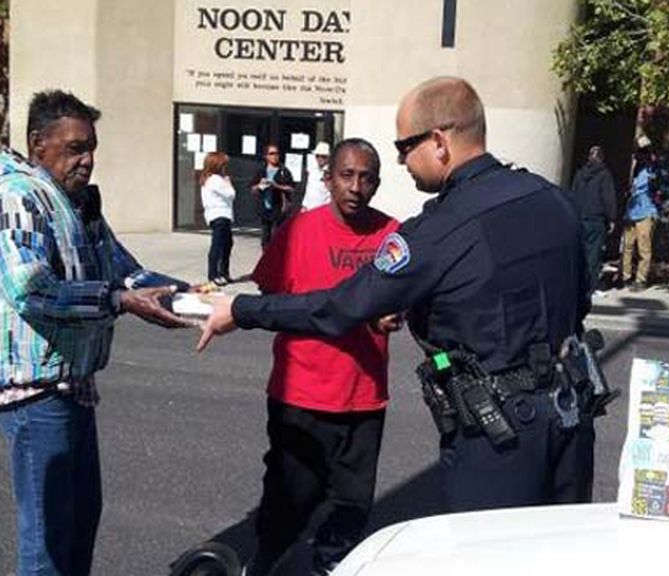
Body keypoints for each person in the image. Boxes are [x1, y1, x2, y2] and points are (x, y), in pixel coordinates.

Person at [199, 77, 595, 514]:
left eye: (405, 146)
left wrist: (241, 308)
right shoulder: (555, 200)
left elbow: (340, 307)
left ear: (439, 142)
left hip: (498, 439)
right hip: (571, 423)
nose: (402, 160)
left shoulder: (442, 228)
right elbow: (579, 304)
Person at [0, 90, 192, 576]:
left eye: (90, 148)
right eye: (75, 149)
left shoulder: (75, 200)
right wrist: (116, 300)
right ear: (37, 145)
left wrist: (182, 293)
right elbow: (32, 290)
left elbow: (120, 267)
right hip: (34, 396)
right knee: (48, 540)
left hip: (71, 387)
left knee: (80, 520)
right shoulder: (14, 198)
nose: (87, 161)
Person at [245, 139, 401, 576]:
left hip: (364, 398)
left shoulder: (393, 234)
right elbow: (269, 297)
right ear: (328, 178)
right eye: (347, 175)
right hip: (301, 396)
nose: (356, 186)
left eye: (366, 178)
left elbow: (406, 298)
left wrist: (393, 313)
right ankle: (262, 567)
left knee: (350, 510)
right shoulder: (298, 230)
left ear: (377, 183)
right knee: (286, 506)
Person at [569, 145, 617, 293]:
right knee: (593, 256)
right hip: (596, 221)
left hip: (579, 218)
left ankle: (575, 285)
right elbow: (608, 198)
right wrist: (612, 218)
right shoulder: (604, 175)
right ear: (601, 158)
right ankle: (589, 288)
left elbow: (572, 194)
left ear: (589, 157)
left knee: (579, 253)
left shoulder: (579, 174)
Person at [621, 139, 660, 291]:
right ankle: (626, 276)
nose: (638, 156)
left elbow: (660, 186)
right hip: (631, 211)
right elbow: (629, 187)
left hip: (646, 211)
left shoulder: (653, 169)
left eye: (642, 152)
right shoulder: (634, 169)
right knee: (627, 246)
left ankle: (641, 279)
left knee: (644, 247)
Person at [200, 151, 235, 285]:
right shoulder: (215, 180)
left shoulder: (210, 179)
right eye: (224, 165)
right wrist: (228, 182)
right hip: (219, 215)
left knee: (227, 244)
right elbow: (231, 194)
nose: (225, 168)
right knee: (218, 245)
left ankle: (223, 272)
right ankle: (214, 274)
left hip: (220, 215)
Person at [250, 144, 295, 247]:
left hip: (278, 207)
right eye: (271, 153)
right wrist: (259, 185)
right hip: (264, 208)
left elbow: (291, 188)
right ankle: (266, 259)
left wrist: (276, 186)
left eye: (277, 153)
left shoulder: (284, 171)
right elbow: (252, 189)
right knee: (265, 237)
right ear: (266, 156)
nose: (275, 156)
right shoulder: (261, 170)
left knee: (277, 236)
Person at [300, 141, 331, 210]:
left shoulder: (331, 172)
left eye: (323, 156)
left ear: (328, 157)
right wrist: (304, 206)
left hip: (323, 210)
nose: (320, 159)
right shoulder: (313, 171)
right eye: (317, 156)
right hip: (309, 209)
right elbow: (308, 189)